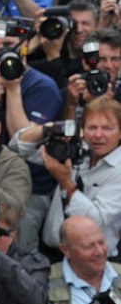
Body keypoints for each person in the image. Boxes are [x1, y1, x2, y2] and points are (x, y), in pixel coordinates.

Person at [12, 97, 121, 257]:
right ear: (82, 130)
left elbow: (95, 222)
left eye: (107, 128)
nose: (98, 135)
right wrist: (47, 129)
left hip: (95, 262)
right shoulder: (75, 150)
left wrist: (66, 183)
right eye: (92, 127)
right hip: (52, 254)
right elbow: (17, 148)